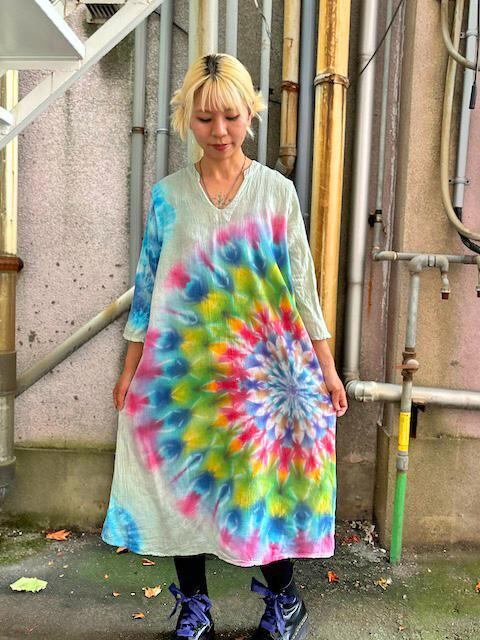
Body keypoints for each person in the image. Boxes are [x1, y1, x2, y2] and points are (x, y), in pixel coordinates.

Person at [102, 53, 348, 640]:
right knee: (184, 490)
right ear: (187, 117)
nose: (219, 131)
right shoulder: (168, 197)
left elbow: (303, 287)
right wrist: (129, 368)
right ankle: (195, 605)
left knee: (264, 488)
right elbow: (146, 290)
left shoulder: (277, 193)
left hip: (264, 379)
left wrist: (328, 368)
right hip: (182, 377)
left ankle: (284, 601)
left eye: (231, 117)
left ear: (250, 114)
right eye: (205, 118)